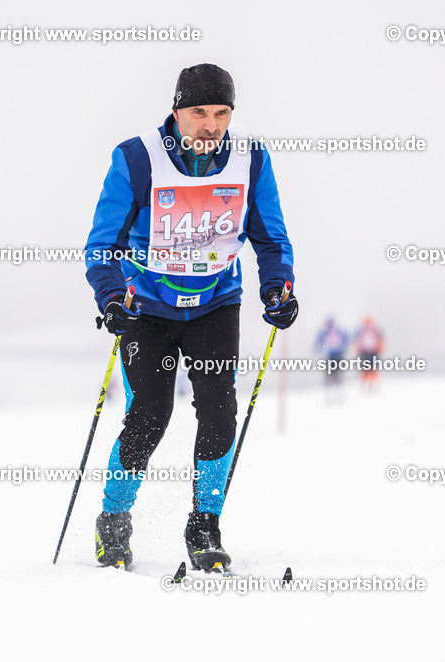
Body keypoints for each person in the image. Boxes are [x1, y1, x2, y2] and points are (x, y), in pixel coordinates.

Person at [85, 64, 298, 572]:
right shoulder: (137, 159)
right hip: (147, 309)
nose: (211, 125)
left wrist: (277, 287)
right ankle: (113, 520)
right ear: (177, 110)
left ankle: (204, 525)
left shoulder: (250, 160)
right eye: (199, 112)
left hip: (215, 305)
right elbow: (102, 247)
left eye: (222, 113)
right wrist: (112, 298)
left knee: (220, 411)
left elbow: (270, 237)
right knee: (150, 415)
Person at [316, 317, 349, 399]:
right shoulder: (324, 332)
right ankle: (329, 394)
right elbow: (319, 343)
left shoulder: (338, 331)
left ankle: (339, 393)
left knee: (338, 376)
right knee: (329, 376)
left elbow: (345, 340)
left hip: (337, 356)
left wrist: (343, 349)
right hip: (329, 357)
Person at [354, 316, 384, 391]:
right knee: (365, 370)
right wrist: (358, 348)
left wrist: (379, 347)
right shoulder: (360, 330)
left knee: (373, 370)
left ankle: (373, 384)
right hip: (365, 352)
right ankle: (365, 385)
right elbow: (357, 340)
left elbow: (380, 339)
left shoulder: (376, 329)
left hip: (373, 352)